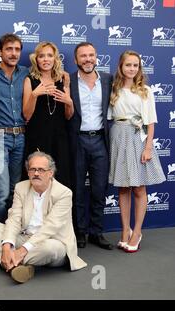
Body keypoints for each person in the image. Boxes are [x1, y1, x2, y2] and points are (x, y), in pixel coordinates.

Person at [0, 151, 87, 284]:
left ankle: (3, 259)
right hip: (25, 237)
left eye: (41, 170)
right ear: (28, 172)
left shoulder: (63, 193)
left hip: (51, 241)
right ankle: (16, 265)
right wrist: (7, 246)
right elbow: (14, 219)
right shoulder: (21, 188)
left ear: (51, 173)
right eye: (33, 169)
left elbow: (50, 228)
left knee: (50, 248)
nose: (36, 173)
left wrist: (23, 250)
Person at [108, 50, 165, 253]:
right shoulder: (113, 88)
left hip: (137, 138)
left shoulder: (145, 91)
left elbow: (150, 123)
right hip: (117, 136)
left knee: (139, 188)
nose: (132, 69)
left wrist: (148, 147)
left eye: (135, 65)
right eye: (128, 65)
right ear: (121, 67)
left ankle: (137, 232)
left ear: (139, 68)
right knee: (123, 188)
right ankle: (125, 230)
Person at [68, 42, 114, 250]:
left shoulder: (108, 79)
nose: (88, 59)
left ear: (96, 57)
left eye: (91, 55)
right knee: (77, 189)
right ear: (76, 60)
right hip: (77, 140)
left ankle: (96, 231)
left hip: (100, 142)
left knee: (99, 189)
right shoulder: (67, 80)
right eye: (83, 56)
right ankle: (80, 232)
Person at [0, 33, 28, 223]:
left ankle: (9, 239)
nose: (13, 53)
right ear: (0, 52)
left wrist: (65, 75)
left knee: (14, 191)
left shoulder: (26, 73)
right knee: (0, 192)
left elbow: (50, 73)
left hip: (20, 137)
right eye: (9, 49)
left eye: (17, 49)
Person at [23, 41, 73, 187]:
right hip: (37, 137)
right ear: (36, 59)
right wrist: (34, 95)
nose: (46, 59)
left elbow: (69, 115)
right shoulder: (30, 80)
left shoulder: (63, 80)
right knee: (37, 182)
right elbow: (26, 115)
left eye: (50, 55)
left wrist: (69, 102)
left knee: (60, 181)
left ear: (55, 59)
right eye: (41, 56)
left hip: (59, 139)